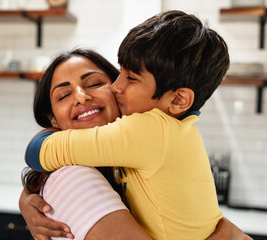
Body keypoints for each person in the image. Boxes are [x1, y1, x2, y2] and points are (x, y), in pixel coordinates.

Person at [25, 10, 243, 240]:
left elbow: (39, 151)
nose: (117, 87)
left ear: (179, 100)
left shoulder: (148, 131)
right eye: (63, 95)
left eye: (130, 78)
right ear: (52, 117)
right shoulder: (78, 176)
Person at [22, 48, 152, 240]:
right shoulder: (73, 177)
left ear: (118, 90)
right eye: (64, 95)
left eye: (94, 83)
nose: (82, 97)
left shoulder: (132, 157)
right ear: (54, 120)